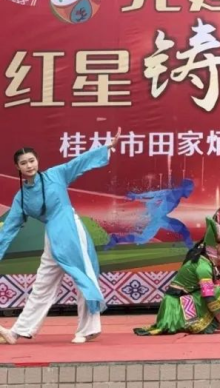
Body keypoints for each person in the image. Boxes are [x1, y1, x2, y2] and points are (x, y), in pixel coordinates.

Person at [0, 128, 121, 345]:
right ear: (17, 167)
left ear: (37, 161)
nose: (29, 165)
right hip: (53, 237)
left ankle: (88, 329)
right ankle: (18, 331)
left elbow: (79, 162)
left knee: (82, 276)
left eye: (32, 160)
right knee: (42, 283)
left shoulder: (55, 175)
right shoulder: (22, 197)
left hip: (70, 229)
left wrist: (106, 148)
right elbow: (9, 228)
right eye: (24, 163)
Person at [135, 209, 220, 336]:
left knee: (218, 289)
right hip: (175, 308)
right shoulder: (203, 266)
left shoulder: (206, 262)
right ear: (216, 246)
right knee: (215, 291)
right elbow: (209, 296)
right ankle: (198, 322)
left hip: (183, 300)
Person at [105, 179, 195, 250]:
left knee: (183, 229)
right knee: (142, 239)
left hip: (159, 217)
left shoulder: (175, 193)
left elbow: (155, 196)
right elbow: (154, 194)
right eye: (190, 189)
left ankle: (116, 239)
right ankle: (116, 239)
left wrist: (137, 196)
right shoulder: (174, 192)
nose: (191, 191)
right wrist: (136, 196)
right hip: (158, 218)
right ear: (184, 187)